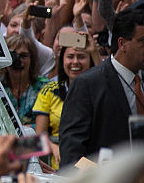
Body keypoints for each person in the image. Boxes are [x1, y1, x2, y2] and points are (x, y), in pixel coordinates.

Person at [58, 6, 144, 167]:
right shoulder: (88, 84)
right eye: (143, 40)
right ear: (122, 43)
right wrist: (103, 182)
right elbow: (72, 155)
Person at [33, 37, 99, 169]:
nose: (75, 62)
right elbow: (39, 134)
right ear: (62, 60)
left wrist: (94, 52)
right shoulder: (49, 90)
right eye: (70, 56)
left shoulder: (100, 89)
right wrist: (54, 147)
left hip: (94, 166)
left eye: (81, 57)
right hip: (61, 168)